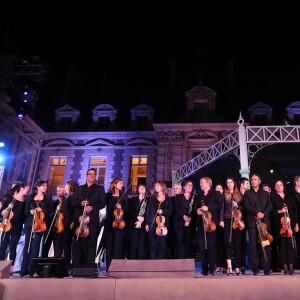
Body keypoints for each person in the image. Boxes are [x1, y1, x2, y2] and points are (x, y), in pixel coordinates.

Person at [72, 168, 106, 270]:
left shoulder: (100, 189)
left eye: (94, 174)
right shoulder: (79, 189)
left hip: (92, 220)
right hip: (80, 219)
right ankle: (77, 266)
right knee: (79, 243)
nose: (92, 176)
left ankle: (89, 267)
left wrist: (92, 207)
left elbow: (103, 203)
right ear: (86, 176)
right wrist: (80, 203)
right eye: (90, 174)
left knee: (91, 243)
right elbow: (73, 202)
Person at [20, 180, 52, 277]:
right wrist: (31, 211)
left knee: (35, 245)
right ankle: (23, 270)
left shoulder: (48, 198)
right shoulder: (30, 197)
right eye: (43, 186)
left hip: (40, 223)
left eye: (46, 186)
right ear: (37, 187)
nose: (45, 187)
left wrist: (42, 209)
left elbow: (50, 211)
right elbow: (25, 211)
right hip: (30, 223)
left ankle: (32, 270)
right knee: (27, 245)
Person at [243, 173, 273, 276]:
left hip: (263, 223)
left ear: (259, 181)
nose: (253, 181)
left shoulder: (265, 193)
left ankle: (266, 268)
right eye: (252, 180)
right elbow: (246, 206)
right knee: (252, 246)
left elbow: (270, 206)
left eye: (255, 179)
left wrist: (262, 214)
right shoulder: (247, 194)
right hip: (252, 223)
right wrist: (256, 213)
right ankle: (255, 269)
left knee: (265, 245)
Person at [193, 177, 222, 276]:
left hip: (211, 223)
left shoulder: (215, 193)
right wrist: (197, 210)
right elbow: (195, 207)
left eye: (202, 182)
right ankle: (204, 269)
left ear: (208, 183)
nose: (200, 184)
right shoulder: (199, 195)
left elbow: (219, 205)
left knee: (211, 247)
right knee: (202, 247)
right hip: (201, 224)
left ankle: (211, 269)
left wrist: (208, 208)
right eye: (200, 182)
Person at [0, 182, 30, 274]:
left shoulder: (25, 201)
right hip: (7, 224)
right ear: (22, 188)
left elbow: (24, 215)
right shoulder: (10, 198)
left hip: (18, 226)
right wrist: (8, 208)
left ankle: (11, 268)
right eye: (27, 188)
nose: (28, 190)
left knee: (13, 246)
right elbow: (1, 212)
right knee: (3, 245)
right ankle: (1, 266)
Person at [272, 180, 299, 275]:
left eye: (280, 185)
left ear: (283, 187)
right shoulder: (273, 197)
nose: (279, 186)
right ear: (275, 188)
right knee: (282, 246)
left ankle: (291, 266)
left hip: (290, 225)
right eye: (277, 185)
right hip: (279, 226)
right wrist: (280, 211)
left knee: (290, 246)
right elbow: (271, 211)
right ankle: (285, 267)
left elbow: (295, 210)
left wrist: (296, 223)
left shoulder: (289, 198)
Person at [219, 177, 244, 275]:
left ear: (234, 183)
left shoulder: (239, 195)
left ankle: (237, 267)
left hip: (237, 221)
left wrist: (237, 205)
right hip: (227, 219)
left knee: (237, 244)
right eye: (228, 182)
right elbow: (222, 208)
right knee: (227, 243)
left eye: (231, 182)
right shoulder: (224, 194)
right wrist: (221, 220)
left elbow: (243, 207)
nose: (229, 184)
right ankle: (229, 266)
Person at [104, 178, 128, 271]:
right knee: (109, 245)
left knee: (118, 245)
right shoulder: (108, 196)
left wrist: (121, 207)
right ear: (114, 184)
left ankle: (117, 267)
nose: (122, 185)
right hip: (110, 222)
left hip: (120, 223)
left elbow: (127, 209)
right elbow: (106, 207)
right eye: (120, 183)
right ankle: (108, 267)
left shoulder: (124, 196)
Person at [145, 181, 173, 259]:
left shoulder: (167, 198)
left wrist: (162, 211)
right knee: (152, 245)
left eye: (157, 186)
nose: (155, 187)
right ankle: (152, 265)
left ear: (162, 187)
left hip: (163, 225)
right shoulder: (152, 198)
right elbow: (148, 210)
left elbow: (171, 211)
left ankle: (160, 264)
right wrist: (147, 223)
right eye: (155, 186)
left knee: (162, 245)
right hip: (152, 223)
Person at [173, 179, 197, 259]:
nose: (190, 187)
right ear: (184, 187)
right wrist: (184, 217)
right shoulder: (178, 197)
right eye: (188, 185)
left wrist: (189, 219)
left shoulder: (195, 197)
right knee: (180, 242)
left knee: (188, 243)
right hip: (179, 222)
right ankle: (179, 263)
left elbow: (195, 209)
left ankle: (187, 263)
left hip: (190, 223)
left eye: (191, 185)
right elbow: (176, 209)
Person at [128, 184, 149, 259]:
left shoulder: (148, 200)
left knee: (142, 245)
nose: (141, 189)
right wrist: (137, 217)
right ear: (137, 189)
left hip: (143, 226)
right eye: (140, 188)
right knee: (133, 244)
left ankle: (140, 264)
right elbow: (129, 211)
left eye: (143, 188)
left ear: (146, 190)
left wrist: (142, 219)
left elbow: (149, 212)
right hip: (133, 224)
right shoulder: (132, 199)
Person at [42, 185, 64, 257]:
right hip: (51, 227)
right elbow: (49, 214)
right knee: (46, 245)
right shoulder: (53, 203)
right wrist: (55, 211)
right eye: (57, 191)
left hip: (61, 228)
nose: (58, 192)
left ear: (64, 192)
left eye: (60, 191)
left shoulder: (66, 202)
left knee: (58, 248)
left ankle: (57, 264)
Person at [166, 183, 182, 259]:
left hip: (179, 223)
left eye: (177, 188)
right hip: (171, 222)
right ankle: (170, 258)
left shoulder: (182, 198)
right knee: (170, 241)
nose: (175, 190)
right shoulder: (170, 199)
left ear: (180, 190)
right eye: (174, 188)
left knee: (179, 241)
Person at [214, 183, 226, 275]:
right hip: (215, 223)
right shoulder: (213, 199)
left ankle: (224, 266)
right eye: (217, 188)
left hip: (224, 223)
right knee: (217, 245)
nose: (218, 189)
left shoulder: (225, 198)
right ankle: (218, 265)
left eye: (220, 187)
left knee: (224, 245)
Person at [239, 177, 250, 274]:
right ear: (242, 185)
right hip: (239, 222)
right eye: (246, 183)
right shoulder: (237, 195)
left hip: (249, 221)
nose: (248, 185)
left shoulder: (249, 194)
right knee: (241, 244)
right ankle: (242, 265)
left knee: (249, 243)